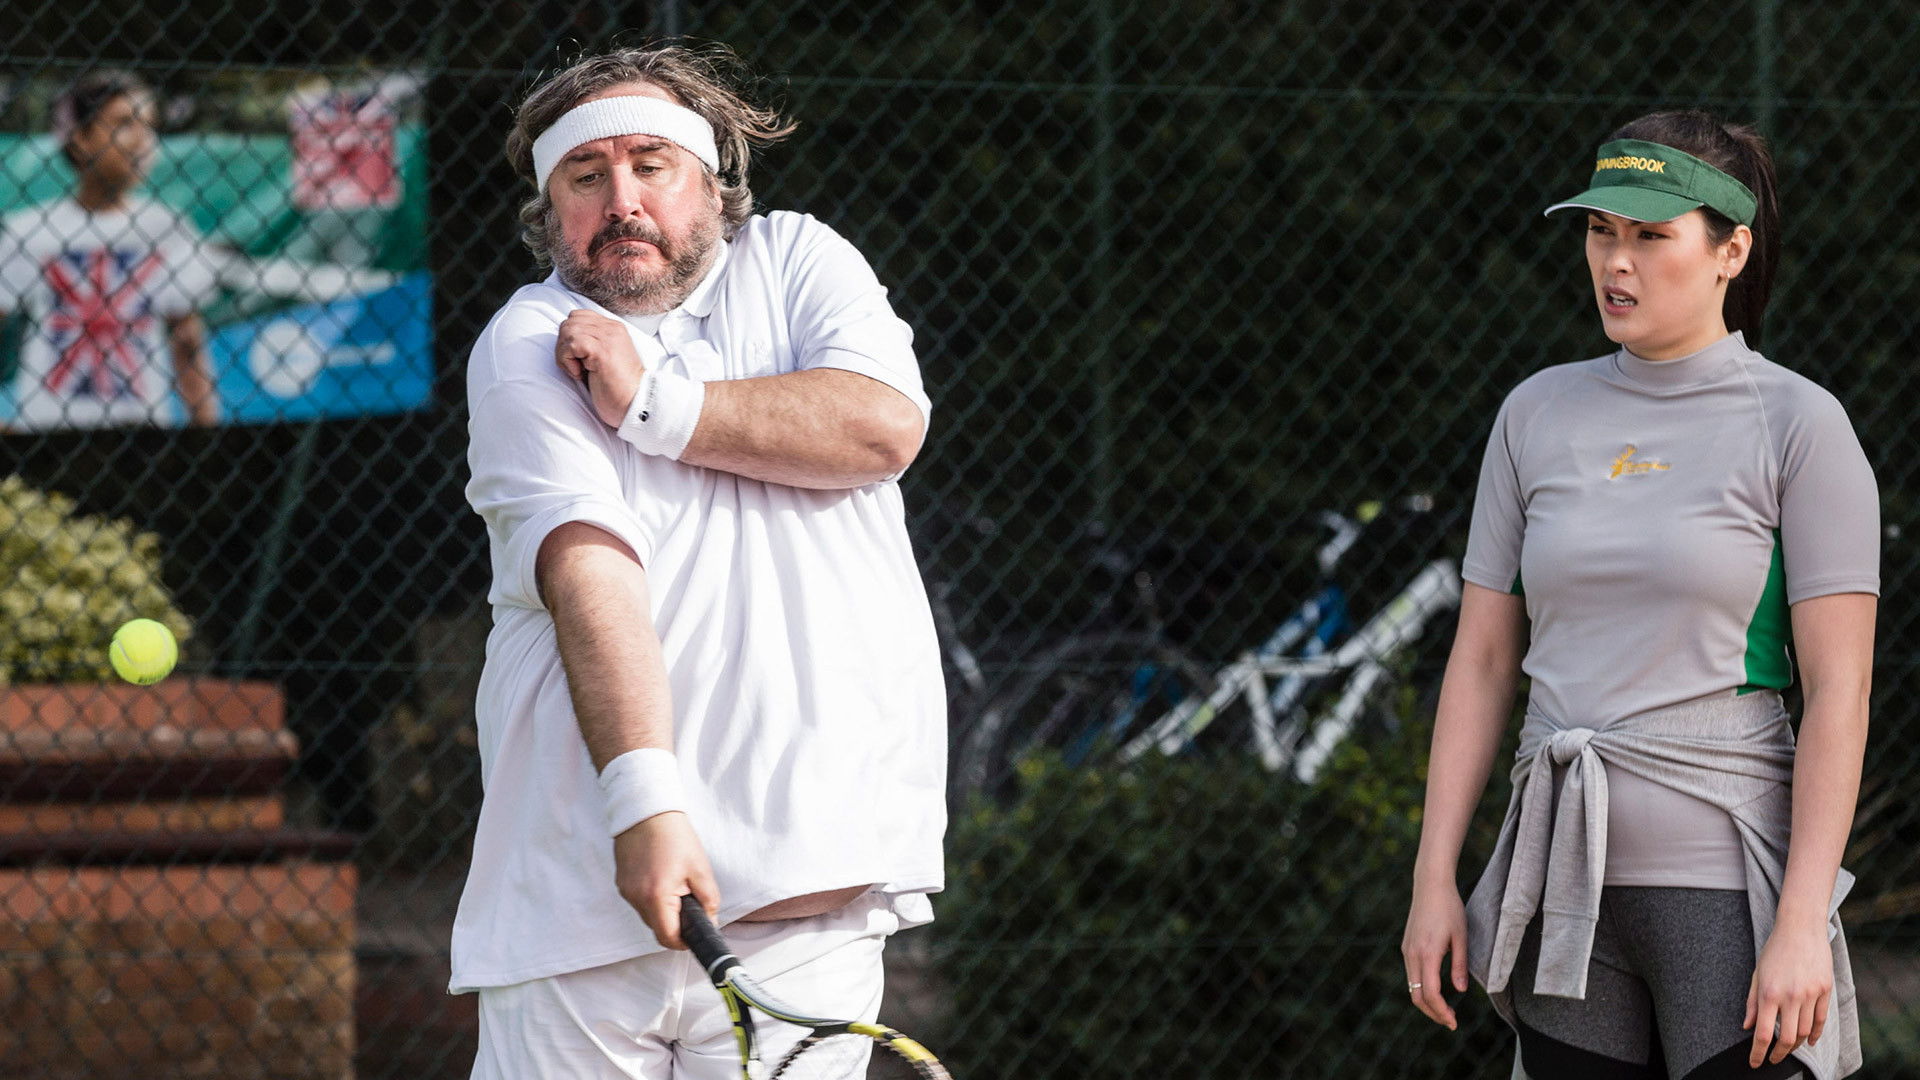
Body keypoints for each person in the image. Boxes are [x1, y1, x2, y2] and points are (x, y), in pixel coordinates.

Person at [455, 42, 946, 1079]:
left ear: (715, 186)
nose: (621, 199)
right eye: (585, 177)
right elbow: (590, 577)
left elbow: (880, 427)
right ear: (549, 211)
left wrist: (653, 403)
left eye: (651, 165)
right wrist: (645, 807)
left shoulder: (800, 259)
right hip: (579, 907)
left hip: (808, 905)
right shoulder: (528, 340)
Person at [1402, 111, 1875, 1080]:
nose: (1616, 261)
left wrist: (1800, 919)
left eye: (1652, 236)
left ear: (1731, 252)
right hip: (1561, 888)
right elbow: (1483, 661)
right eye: (1600, 230)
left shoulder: (1800, 424)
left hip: (1729, 894)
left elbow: (1840, 691)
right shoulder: (1534, 413)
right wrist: (1433, 876)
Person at [0, 69, 219, 430]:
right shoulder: (30, 230)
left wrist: (207, 438)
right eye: (124, 123)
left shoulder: (170, 229)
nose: (142, 140)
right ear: (81, 138)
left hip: (142, 430)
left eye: (149, 125)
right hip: (45, 429)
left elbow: (187, 342)